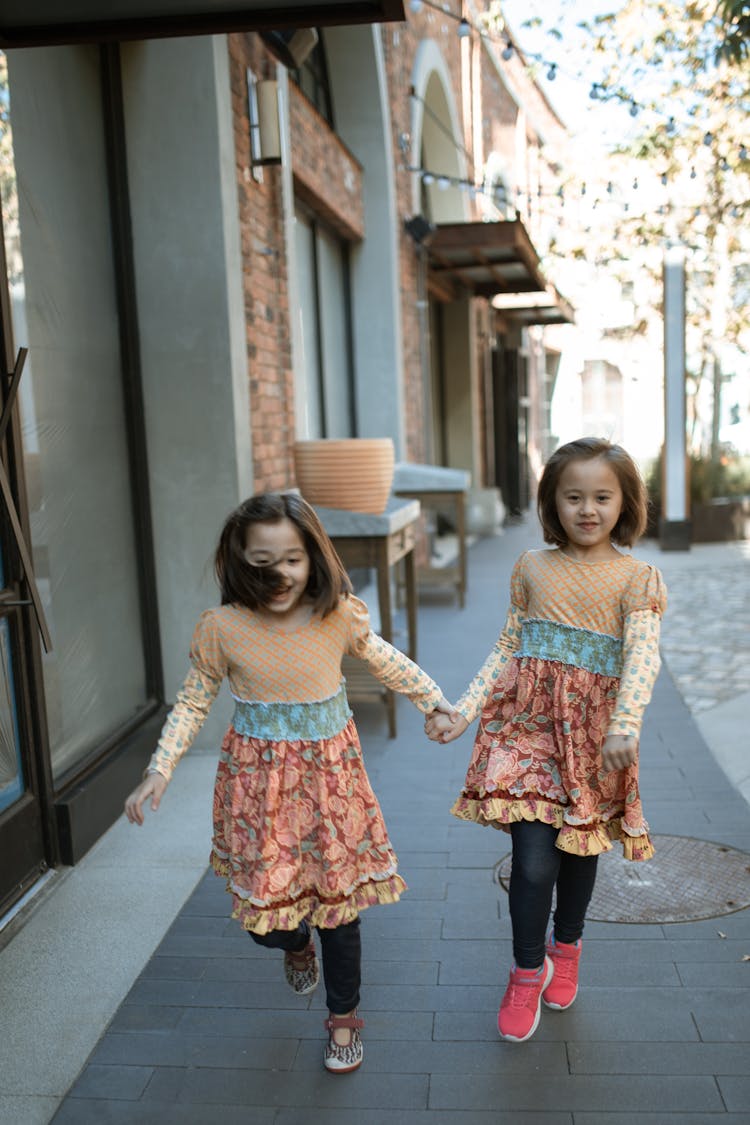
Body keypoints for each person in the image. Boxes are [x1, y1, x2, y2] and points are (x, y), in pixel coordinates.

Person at [124, 491, 453, 1074]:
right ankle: (294, 944)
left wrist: (435, 703)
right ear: (238, 561)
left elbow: (387, 661)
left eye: (293, 559)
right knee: (267, 922)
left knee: (341, 913)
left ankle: (344, 1017)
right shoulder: (223, 628)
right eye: (262, 561)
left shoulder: (338, 617)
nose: (280, 574)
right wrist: (160, 768)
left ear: (314, 557)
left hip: (332, 787)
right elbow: (194, 701)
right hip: (259, 795)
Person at [425, 437, 666, 1043]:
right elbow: (509, 646)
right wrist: (464, 708)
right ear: (552, 503)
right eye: (574, 496)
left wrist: (624, 724)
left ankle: (569, 946)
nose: (588, 509)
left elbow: (642, 657)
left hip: (592, 739)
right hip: (525, 730)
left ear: (624, 502)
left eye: (602, 497)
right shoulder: (531, 567)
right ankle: (527, 971)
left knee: (580, 851)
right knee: (533, 865)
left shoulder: (637, 579)